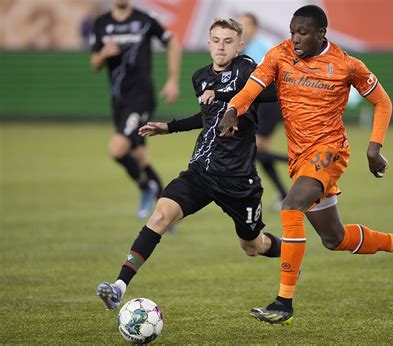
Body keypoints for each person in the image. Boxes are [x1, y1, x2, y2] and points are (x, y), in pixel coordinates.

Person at [218, 5, 393, 325]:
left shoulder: (346, 65)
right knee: (334, 238)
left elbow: (382, 101)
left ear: (321, 34)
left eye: (303, 33)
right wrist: (234, 108)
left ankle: (283, 303)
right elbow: (252, 89)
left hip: (329, 152)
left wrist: (374, 148)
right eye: (292, 32)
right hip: (300, 157)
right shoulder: (280, 54)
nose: (296, 38)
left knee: (291, 207)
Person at [96, 18, 281, 310]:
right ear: (208, 44)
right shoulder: (200, 77)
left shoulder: (247, 68)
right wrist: (168, 127)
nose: (221, 46)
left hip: (237, 179)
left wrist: (223, 95)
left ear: (239, 46)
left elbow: (271, 92)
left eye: (228, 41)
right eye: (216, 40)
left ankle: (292, 250)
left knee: (252, 246)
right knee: (160, 216)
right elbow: (206, 117)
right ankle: (119, 286)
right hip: (201, 172)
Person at [89, 0, 182, 218]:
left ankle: (145, 187)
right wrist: (103, 53)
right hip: (118, 101)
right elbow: (94, 63)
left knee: (117, 149)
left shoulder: (144, 20)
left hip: (141, 99)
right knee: (140, 157)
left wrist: (173, 81)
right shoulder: (101, 23)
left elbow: (173, 44)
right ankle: (165, 212)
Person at [239, 13, 288, 210]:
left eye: (246, 25)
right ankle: (283, 194)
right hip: (262, 103)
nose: (242, 29)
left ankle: (297, 161)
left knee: (255, 150)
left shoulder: (260, 47)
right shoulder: (246, 48)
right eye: (239, 25)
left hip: (270, 102)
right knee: (259, 152)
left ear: (255, 28)